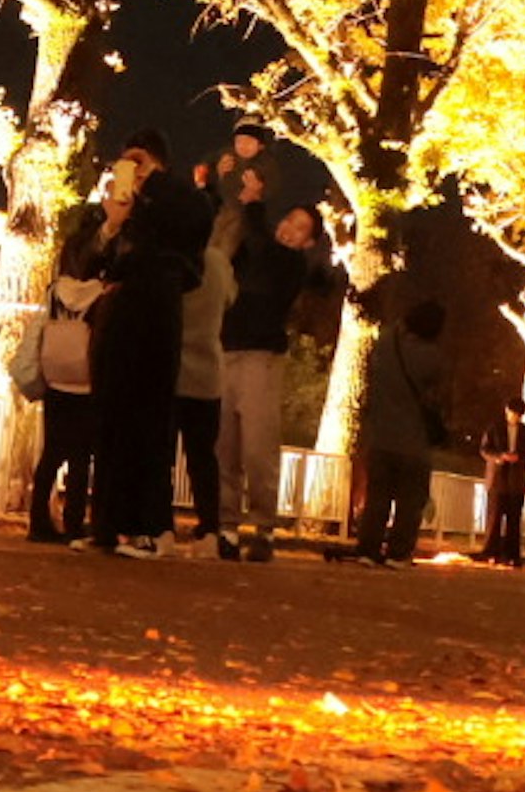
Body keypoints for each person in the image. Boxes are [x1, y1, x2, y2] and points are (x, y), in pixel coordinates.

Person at [87, 130, 213, 557]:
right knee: (111, 417)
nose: (132, 171)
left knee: (148, 414)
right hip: (118, 308)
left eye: (139, 162)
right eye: (127, 163)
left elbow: (199, 218)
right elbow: (92, 261)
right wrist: (111, 223)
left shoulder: (178, 197)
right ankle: (108, 524)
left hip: (157, 303)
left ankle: (153, 527)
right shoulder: (128, 208)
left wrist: (152, 181)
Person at [216, 179, 344, 562]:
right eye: (289, 219)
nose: (290, 228)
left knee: (257, 447)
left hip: (261, 359)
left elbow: (261, 245)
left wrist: (255, 202)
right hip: (226, 351)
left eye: (301, 228)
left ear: (307, 243)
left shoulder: (290, 263)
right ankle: (225, 526)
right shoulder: (249, 253)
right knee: (225, 445)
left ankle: (263, 528)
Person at [26, 207, 109, 545]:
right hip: (86, 381)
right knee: (80, 456)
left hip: (56, 376)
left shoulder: (54, 291)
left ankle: (37, 521)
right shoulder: (101, 294)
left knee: (51, 454)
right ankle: (74, 523)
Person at [355, 295, 453, 565]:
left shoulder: (386, 344)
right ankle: (398, 552)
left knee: (378, 496)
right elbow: (437, 393)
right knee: (410, 500)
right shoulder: (432, 357)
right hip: (414, 442)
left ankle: (368, 549)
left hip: (381, 436)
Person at [176, 204, 241, 556]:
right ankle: (209, 527)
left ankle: (158, 525)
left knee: (162, 453)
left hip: (173, 367)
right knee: (203, 456)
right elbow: (230, 297)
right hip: (208, 370)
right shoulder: (218, 263)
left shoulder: (174, 259)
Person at [481, 398, 525, 566]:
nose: (515, 417)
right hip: (497, 478)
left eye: (518, 415)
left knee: (514, 519)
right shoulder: (495, 428)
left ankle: (512, 554)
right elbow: (485, 449)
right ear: (507, 411)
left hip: (517, 480)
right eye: (513, 414)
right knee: (495, 518)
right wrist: (499, 457)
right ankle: (492, 552)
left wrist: (519, 457)